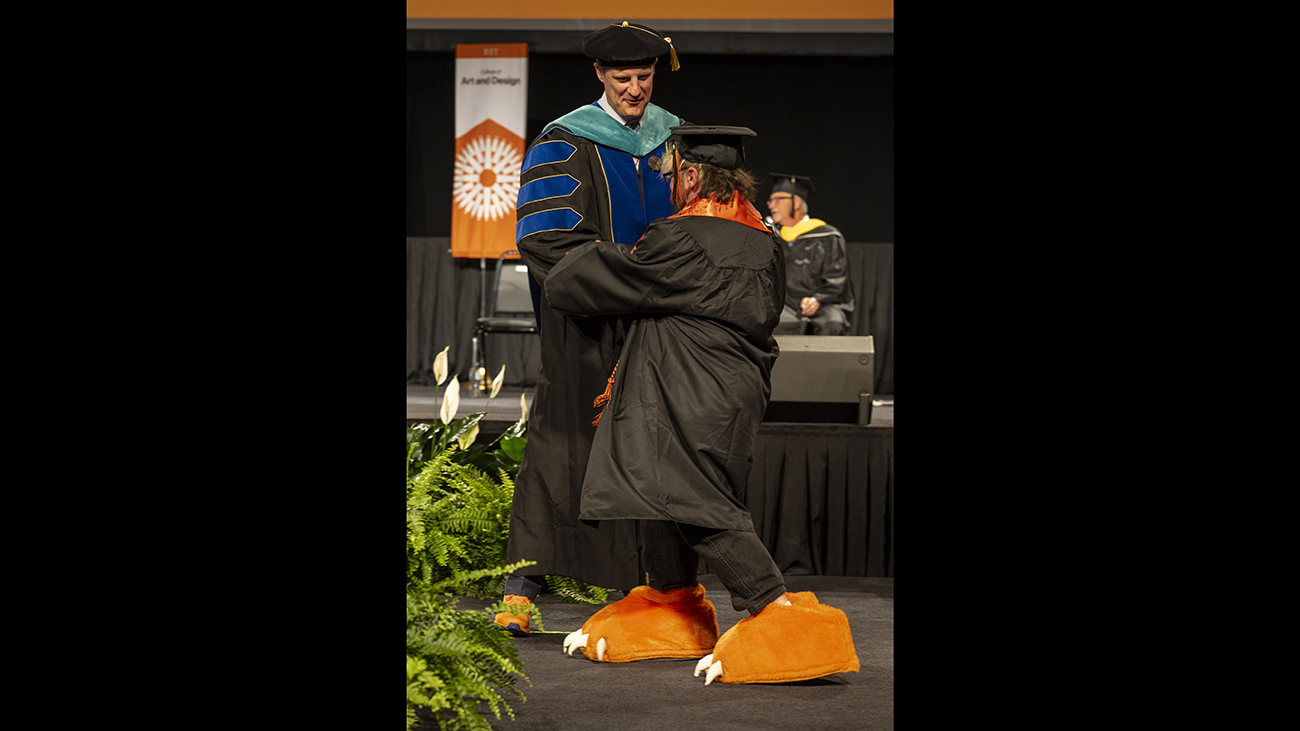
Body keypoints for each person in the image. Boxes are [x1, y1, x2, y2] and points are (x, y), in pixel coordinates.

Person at [542, 125, 859, 685]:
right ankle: (673, 603)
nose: (667, 185)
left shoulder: (683, 237)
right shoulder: (765, 240)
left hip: (684, 387)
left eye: (669, 175)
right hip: (732, 390)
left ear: (690, 175)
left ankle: (781, 617)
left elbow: (606, 279)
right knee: (664, 490)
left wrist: (570, 253)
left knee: (694, 500)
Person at [494, 21, 686, 636]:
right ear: (599, 76)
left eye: (645, 76)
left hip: (660, 331)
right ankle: (522, 585)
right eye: (624, 77)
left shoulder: (676, 139)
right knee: (562, 441)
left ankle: (652, 591)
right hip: (588, 328)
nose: (635, 88)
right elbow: (547, 240)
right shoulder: (564, 140)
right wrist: (637, 280)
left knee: (654, 454)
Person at [766, 173, 855, 335]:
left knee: (833, 322)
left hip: (823, 304)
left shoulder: (827, 236)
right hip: (783, 306)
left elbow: (836, 279)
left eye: (778, 199)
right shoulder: (772, 238)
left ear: (797, 202)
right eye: (771, 200)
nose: (771, 205)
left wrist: (818, 299)